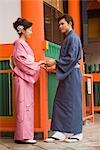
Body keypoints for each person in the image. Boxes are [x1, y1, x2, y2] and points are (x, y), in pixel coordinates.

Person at [44, 14, 83, 143]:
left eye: (62, 24)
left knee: (73, 102)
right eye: (59, 24)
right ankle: (59, 131)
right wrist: (55, 64)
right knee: (60, 101)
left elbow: (71, 58)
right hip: (68, 73)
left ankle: (77, 132)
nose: (60, 26)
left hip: (72, 74)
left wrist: (55, 61)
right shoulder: (69, 38)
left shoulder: (73, 38)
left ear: (70, 23)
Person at [10, 18, 44, 144]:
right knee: (22, 105)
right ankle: (22, 136)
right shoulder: (19, 43)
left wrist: (36, 64)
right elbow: (21, 61)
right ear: (22, 31)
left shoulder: (23, 44)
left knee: (27, 106)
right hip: (22, 78)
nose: (31, 32)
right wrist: (36, 65)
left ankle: (25, 135)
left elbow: (26, 61)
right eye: (30, 29)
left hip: (25, 79)